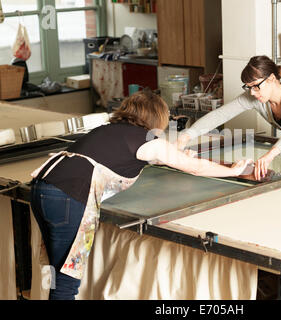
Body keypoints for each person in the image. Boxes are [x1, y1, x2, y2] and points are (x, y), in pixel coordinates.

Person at [29, 90, 251, 300]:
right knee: (67, 280)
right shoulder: (148, 141)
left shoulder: (107, 130)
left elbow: (136, 156)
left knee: (55, 271)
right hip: (68, 197)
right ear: (158, 119)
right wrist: (233, 171)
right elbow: (196, 168)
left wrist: (176, 154)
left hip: (42, 188)